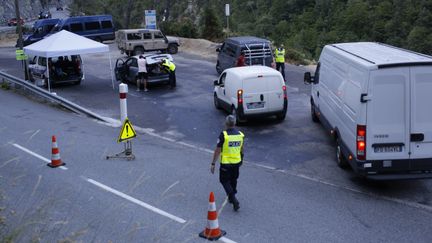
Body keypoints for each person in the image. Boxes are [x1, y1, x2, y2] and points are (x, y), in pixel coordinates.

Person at [211, 115, 245, 211]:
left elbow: (217, 150)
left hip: (226, 163)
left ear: (226, 123)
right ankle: (231, 196)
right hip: (236, 162)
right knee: (233, 179)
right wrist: (241, 159)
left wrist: (213, 163)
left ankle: (234, 199)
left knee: (224, 180)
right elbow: (242, 149)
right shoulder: (240, 135)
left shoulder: (224, 135)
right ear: (235, 123)